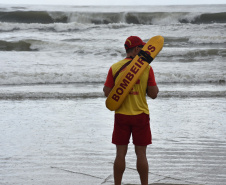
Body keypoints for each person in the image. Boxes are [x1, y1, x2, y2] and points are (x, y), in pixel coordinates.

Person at [103, 36, 159, 185]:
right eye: (142, 48)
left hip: (121, 115)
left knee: (120, 154)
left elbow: (107, 93)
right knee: (141, 154)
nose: (145, 51)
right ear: (136, 50)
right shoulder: (146, 67)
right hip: (141, 115)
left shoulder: (115, 67)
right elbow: (154, 94)